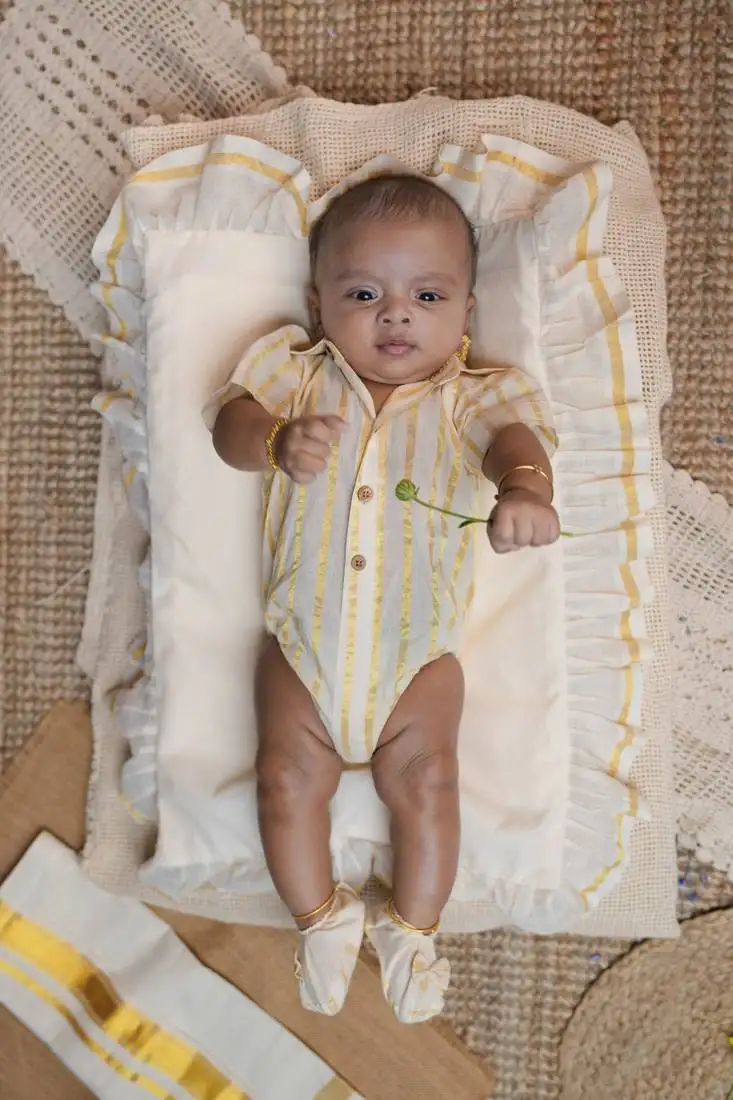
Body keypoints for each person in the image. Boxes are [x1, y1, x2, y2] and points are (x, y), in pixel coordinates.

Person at [206, 174, 559, 1022]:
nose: (395, 315)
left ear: (465, 311)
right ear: (317, 303)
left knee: (430, 777)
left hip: (415, 664)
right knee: (284, 777)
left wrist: (524, 489)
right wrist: (275, 441)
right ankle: (320, 918)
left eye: (425, 294)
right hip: (301, 650)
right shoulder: (295, 377)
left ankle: (411, 929)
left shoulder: (469, 396)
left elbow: (515, 444)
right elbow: (226, 426)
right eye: (364, 293)